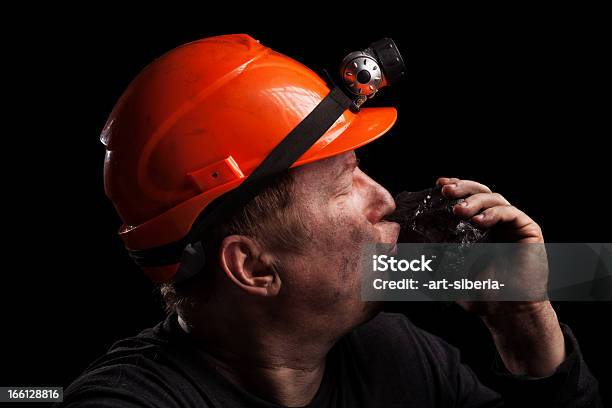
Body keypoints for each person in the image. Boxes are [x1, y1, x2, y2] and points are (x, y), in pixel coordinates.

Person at [58, 34, 602, 407]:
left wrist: (526, 326)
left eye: (362, 171)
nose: (385, 199)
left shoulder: (394, 353)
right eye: (346, 185)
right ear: (252, 267)